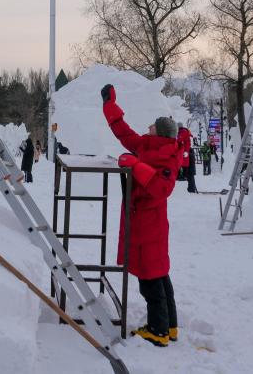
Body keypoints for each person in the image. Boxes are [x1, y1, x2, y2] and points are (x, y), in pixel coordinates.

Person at [101, 84, 181, 347]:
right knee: (158, 274)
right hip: (144, 224)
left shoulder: (167, 156)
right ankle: (169, 327)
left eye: (152, 126)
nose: (147, 128)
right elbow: (123, 133)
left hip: (150, 226)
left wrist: (135, 165)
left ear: (159, 132)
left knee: (151, 279)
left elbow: (161, 188)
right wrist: (109, 104)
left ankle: (158, 332)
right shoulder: (148, 146)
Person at [177, 124, 197, 194]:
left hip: (187, 155)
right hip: (189, 154)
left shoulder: (182, 133)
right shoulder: (186, 132)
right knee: (190, 174)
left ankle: (191, 189)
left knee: (189, 174)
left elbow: (180, 140)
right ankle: (192, 189)